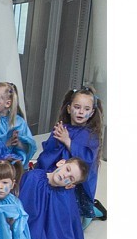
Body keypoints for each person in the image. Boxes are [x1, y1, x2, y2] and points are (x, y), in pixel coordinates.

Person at [33, 86, 104, 219]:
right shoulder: (62, 127)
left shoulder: (91, 135)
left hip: (73, 183)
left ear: (92, 112)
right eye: (77, 107)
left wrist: (68, 142)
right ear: (69, 108)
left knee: (72, 214)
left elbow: (87, 160)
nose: (81, 112)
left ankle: (95, 211)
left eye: (86, 109)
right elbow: (48, 151)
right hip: (58, 172)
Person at [19, 157, 90, 239]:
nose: (65, 175)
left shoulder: (64, 197)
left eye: (71, 178)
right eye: (67, 169)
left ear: (70, 185)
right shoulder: (33, 177)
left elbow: (62, 226)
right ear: (60, 163)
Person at [0, 80, 37, 164]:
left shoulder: (19, 122)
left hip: (12, 163)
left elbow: (29, 148)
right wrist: (6, 144)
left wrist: (18, 143)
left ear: (7, 103)